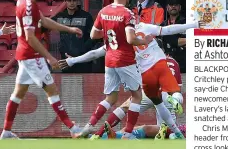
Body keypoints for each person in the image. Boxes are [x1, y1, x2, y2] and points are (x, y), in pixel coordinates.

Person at [61, 20, 204, 139]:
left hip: (147, 84)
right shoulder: (149, 34)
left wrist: (73, 60)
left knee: (126, 107)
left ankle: (100, 135)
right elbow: (168, 29)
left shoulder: (119, 41)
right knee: (165, 124)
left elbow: (95, 53)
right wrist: (194, 24)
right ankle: (173, 130)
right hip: (165, 92)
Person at [0, 0, 83, 139]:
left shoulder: (23, 0)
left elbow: (44, 21)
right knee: (52, 90)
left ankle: (6, 132)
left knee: (18, 93)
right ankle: (73, 128)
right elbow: (31, 37)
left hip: (23, 55)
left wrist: (69, 29)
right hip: (32, 55)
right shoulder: (29, 6)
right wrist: (49, 57)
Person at [79, 0, 153, 139]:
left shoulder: (103, 11)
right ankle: (127, 133)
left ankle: (88, 126)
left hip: (109, 60)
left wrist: (109, 32)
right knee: (137, 96)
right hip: (125, 60)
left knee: (111, 97)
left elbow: (93, 35)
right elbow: (131, 39)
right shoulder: (127, 13)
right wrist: (144, 41)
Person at [52, 0, 97, 73]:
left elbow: (94, 37)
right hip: (66, 60)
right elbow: (46, 25)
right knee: (66, 85)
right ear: (65, 1)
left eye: (74, 0)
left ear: (78, 2)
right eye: (69, 1)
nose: (72, 3)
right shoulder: (60, 16)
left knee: (86, 85)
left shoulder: (86, 16)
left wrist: (81, 52)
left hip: (83, 60)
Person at [160, 0, 187, 73]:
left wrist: (173, 41)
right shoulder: (163, 25)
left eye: (176, 5)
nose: (173, 7)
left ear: (180, 7)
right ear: (167, 8)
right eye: (171, 5)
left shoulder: (186, 23)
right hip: (168, 65)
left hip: (184, 65)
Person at [97, 121, 186, 140]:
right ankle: (116, 135)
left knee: (146, 128)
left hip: (175, 134)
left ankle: (117, 136)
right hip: (173, 130)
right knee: (143, 127)